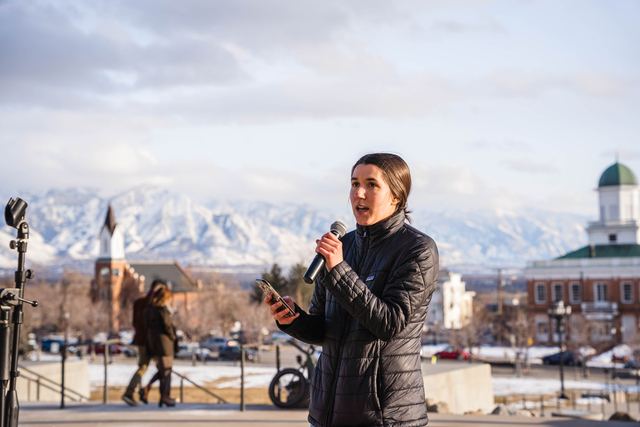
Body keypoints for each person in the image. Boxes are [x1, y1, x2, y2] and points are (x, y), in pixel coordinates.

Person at [265, 153, 439, 427]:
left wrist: (339, 270)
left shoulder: (416, 250)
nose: (358, 193)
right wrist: (294, 320)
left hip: (384, 416)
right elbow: (324, 330)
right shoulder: (340, 247)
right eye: (354, 183)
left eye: (372, 185)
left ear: (396, 196)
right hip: (328, 412)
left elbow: (388, 324)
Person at [122, 280, 167, 406]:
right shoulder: (155, 304)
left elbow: (134, 323)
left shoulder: (138, 302)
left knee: (143, 367)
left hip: (141, 340)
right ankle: (158, 394)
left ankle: (131, 392)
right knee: (163, 369)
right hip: (152, 341)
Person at [144, 285, 178, 407]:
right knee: (166, 372)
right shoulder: (162, 310)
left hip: (154, 343)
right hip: (165, 344)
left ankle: (148, 388)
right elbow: (167, 326)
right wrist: (173, 337)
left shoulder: (148, 310)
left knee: (162, 370)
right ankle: (165, 396)